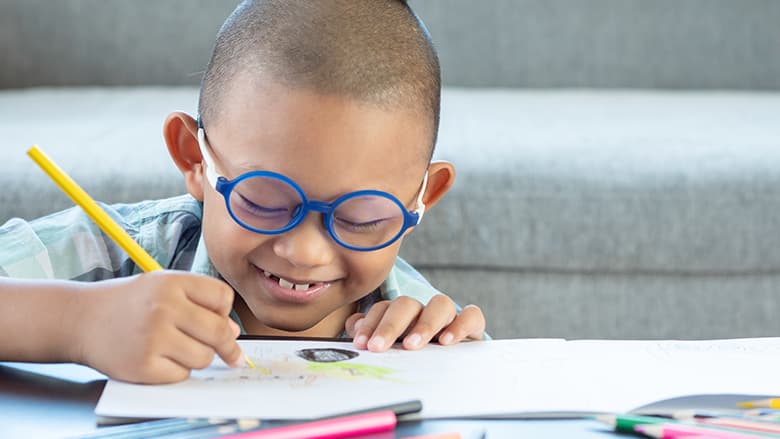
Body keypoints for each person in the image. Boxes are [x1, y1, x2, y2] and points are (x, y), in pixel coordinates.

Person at [0, 0, 485, 384]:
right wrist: (78, 323)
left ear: (421, 198)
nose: (304, 252)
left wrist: (457, 362)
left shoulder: (411, 323)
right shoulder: (104, 253)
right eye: (265, 201)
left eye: (361, 217)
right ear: (195, 159)